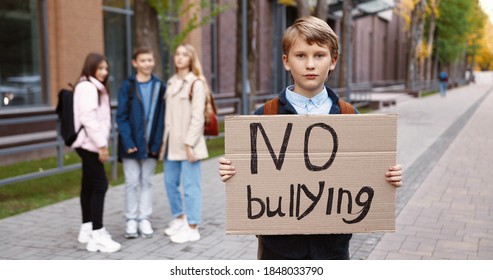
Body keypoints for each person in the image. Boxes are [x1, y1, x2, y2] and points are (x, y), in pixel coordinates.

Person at [218, 16, 403, 260]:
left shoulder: (350, 116)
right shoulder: (265, 116)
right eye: (301, 55)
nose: (310, 65)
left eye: (319, 55)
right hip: (279, 250)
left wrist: (388, 176)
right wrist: (233, 172)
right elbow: (251, 177)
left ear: (333, 61)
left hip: (332, 250)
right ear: (286, 61)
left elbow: (365, 173)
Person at [159, 44, 209, 243]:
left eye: (184, 55)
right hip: (171, 144)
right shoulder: (171, 82)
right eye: (177, 54)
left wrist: (189, 144)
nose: (179, 58)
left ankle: (193, 226)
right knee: (169, 183)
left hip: (190, 144)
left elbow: (198, 118)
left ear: (190, 59)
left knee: (190, 186)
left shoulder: (196, 84)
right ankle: (180, 218)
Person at [72, 53, 121, 253]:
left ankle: (87, 228)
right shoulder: (88, 87)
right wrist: (102, 145)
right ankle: (97, 234)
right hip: (90, 144)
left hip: (88, 143)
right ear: (90, 67)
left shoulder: (90, 85)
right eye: (100, 68)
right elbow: (88, 118)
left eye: (106, 69)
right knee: (100, 185)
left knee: (89, 184)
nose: (103, 72)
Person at [116, 47, 166, 239]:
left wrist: (157, 143)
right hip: (130, 145)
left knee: (146, 182)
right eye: (143, 60)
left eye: (150, 60)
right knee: (131, 182)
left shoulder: (160, 87)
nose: (147, 64)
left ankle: (144, 218)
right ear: (134, 63)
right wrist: (128, 141)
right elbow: (121, 117)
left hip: (151, 144)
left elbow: (162, 118)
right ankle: (131, 219)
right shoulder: (127, 87)